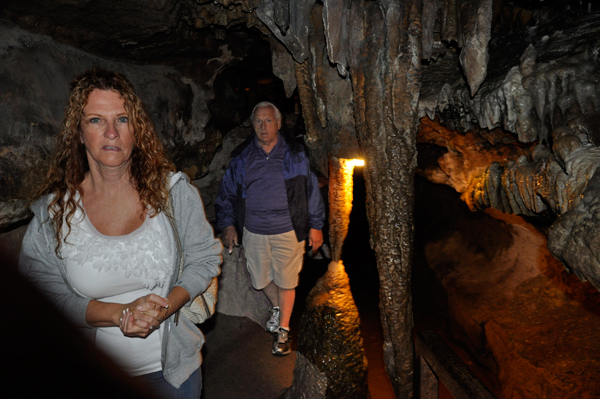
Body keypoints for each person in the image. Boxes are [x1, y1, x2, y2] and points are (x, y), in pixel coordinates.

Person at [18, 68, 222, 399]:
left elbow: (204, 257)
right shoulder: (53, 214)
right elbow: (44, 295)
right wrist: (119, 314)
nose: (111, 132)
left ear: (136, 130)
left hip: (173, 377)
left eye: (123, 119)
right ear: (79, 133)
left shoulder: (173, 192)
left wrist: (166, 307)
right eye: (96, 120)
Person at [215, 101, 325, 356]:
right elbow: (227, 193)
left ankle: (283, 331)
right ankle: (278, 308)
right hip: (253, 231)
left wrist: (316, 226)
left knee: (287, 282)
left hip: (288, 229)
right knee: (260, 279)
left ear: (278, 124)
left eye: (268, 121)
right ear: (252, 125)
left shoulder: (295, 154)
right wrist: (228, 224)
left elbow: (310, 192)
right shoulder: (242, 157)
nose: (263, 127)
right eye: (258, 122)